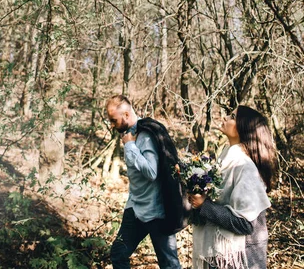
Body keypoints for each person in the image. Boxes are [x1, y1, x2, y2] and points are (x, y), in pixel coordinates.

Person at [190, 105, 277, 269]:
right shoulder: (226, 158)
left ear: (242, 128)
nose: (225, 118)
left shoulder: (244, 166)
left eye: (232, 116)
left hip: (236, 258)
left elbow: (245, 224)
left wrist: (204, 205)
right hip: (217, 254)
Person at [106, 94, 182, 269]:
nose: (111, 125)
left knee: (169, 264)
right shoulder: (130, 135)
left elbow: (152, 172)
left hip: (156, 211)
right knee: (118, 254)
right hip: (135, 207)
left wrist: (130, 147)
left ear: (126, 115)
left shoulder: (146, 135)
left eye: (113, 120)